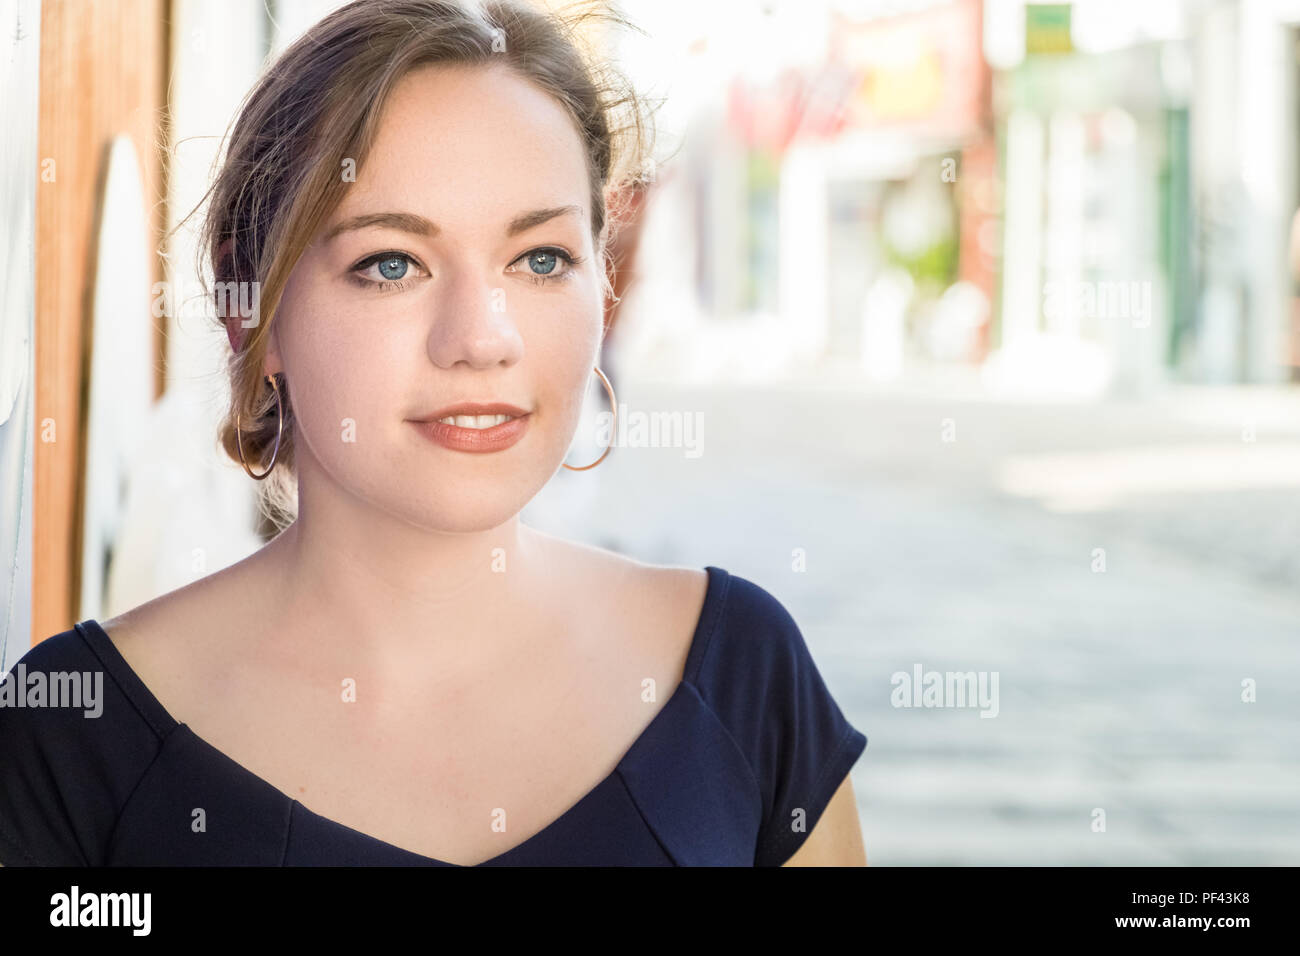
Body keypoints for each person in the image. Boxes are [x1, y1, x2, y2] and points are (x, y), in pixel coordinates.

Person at [0, 0, 867, 867]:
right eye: (391, 264)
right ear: (250, 312)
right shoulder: (74, 734)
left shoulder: (742, 676)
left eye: (540, 259)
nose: (483, 338)